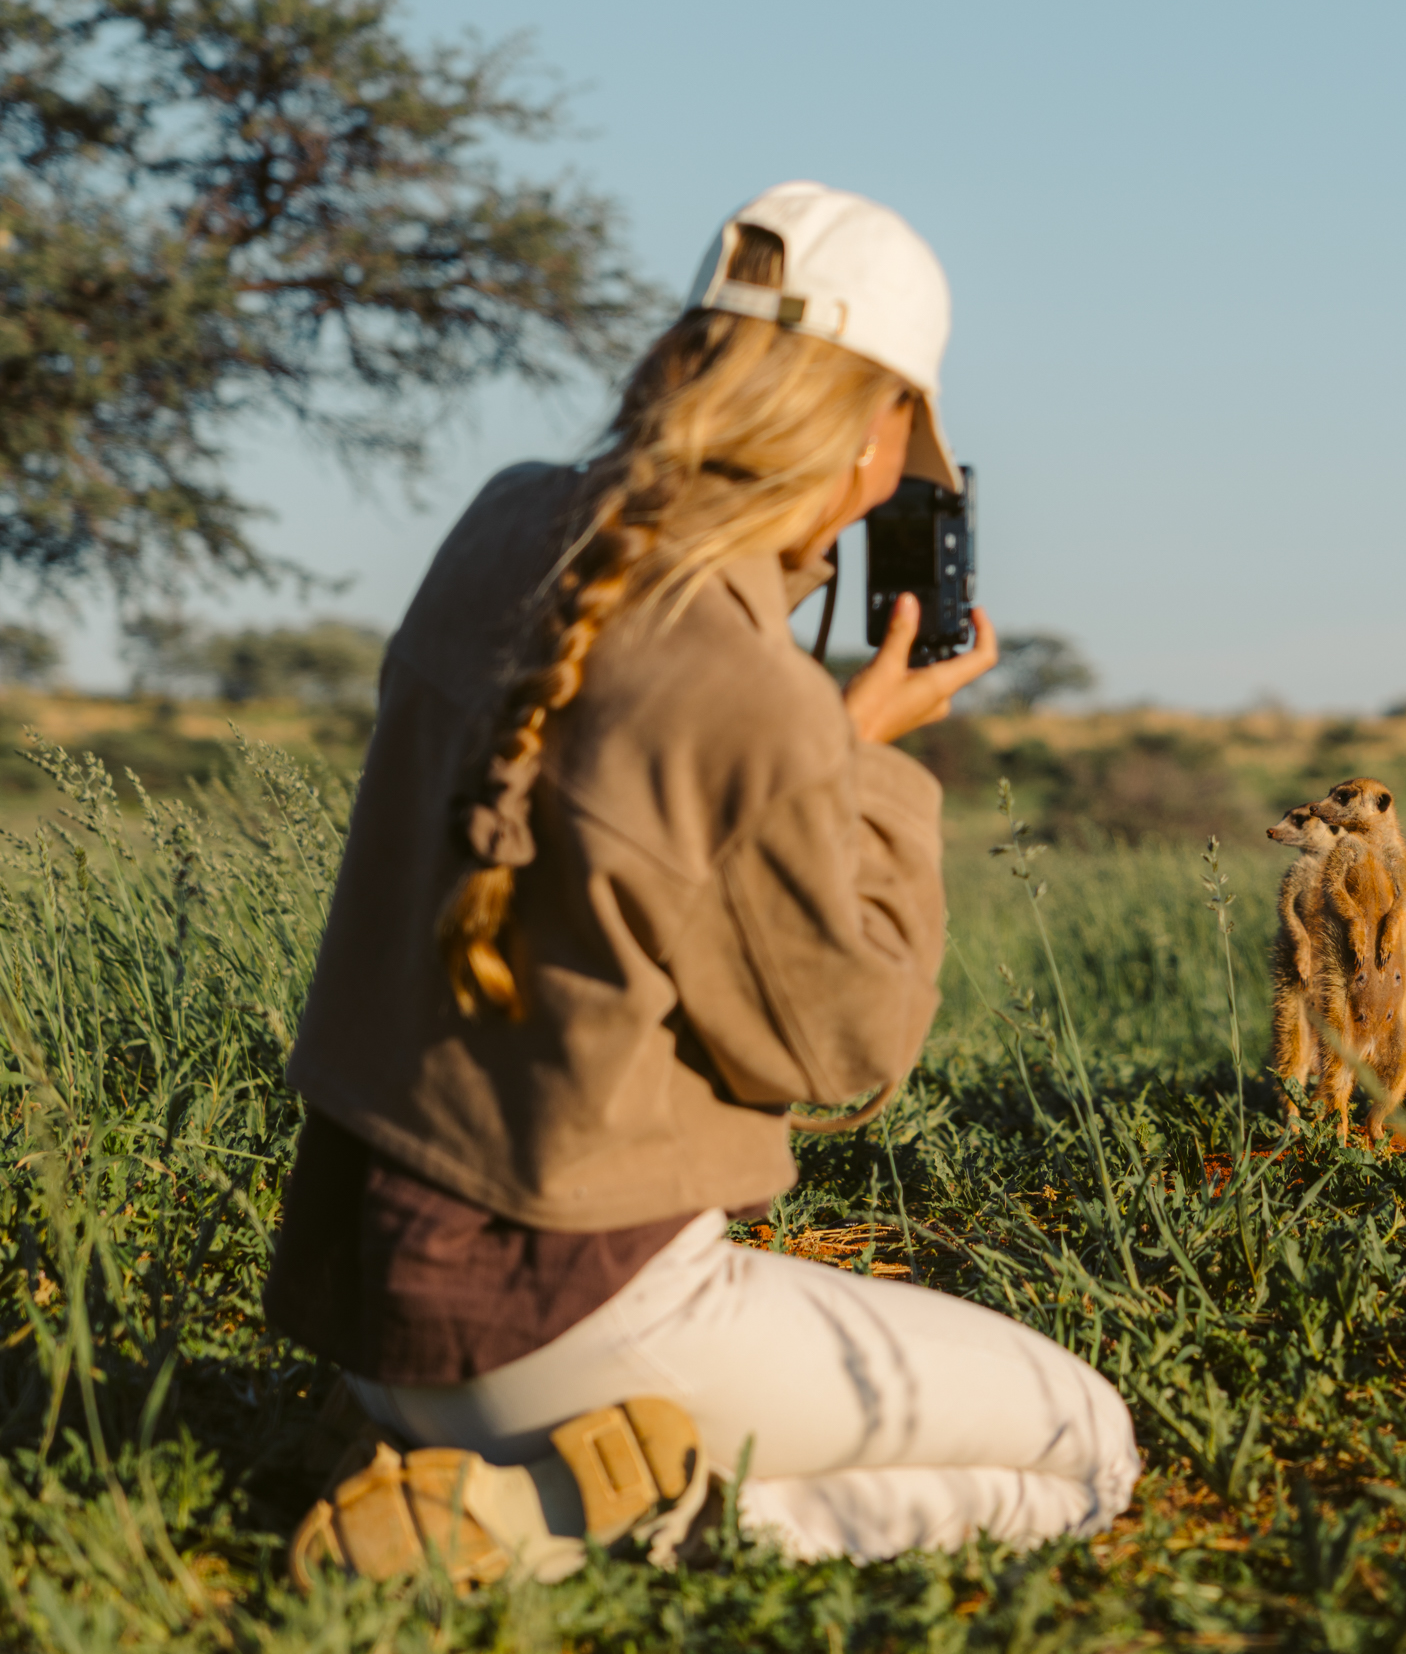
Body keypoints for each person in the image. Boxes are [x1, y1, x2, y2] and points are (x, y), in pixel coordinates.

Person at [265, 181, 1140, 1587]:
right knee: (1086, 1442)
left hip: (370, 1311)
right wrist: (868, 769)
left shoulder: (503, 531)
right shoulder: (759, 705)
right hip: (562, 1322)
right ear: (879, 440)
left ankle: (439, 1454)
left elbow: (623, 723)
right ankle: (546, 1525)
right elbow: (844, 1054)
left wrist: (822, 735)